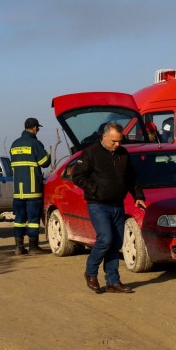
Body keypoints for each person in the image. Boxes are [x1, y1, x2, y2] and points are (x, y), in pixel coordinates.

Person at [72, 122, 146, 294]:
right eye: (114, 141)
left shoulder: (123, 154)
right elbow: (77, 176)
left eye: (120, 141)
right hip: (98, 204)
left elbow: (132, 177)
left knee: (116, 242)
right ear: (103, 137)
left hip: (117, 205)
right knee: (105, 239)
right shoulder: (91, 153)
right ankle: (90, 272)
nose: (117, 145)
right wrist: (96, 190)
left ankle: (113, 281)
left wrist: (138, 197)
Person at [10, 117, 51, 255]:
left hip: (18, 191)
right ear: (34, 128)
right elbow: (44, 162)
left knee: (19, 219)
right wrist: (48, 155)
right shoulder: (35, 143)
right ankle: (33, 247)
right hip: (33, 189)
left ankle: (19, 247)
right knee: (33, 219)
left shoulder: (14, 144)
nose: (38, 130)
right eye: (37, 128)